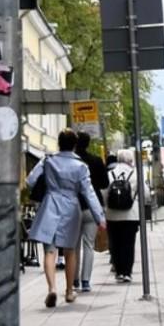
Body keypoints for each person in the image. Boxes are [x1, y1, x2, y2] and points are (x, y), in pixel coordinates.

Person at [25, 129, 106, 307]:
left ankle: (52, 288)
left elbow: (30, 180)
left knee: (50, 251)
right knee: (70, 251)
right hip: (71, 207)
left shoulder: (48, 160)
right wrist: (99, 217)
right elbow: (89, 192)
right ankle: (69, 291)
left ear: (59, 143)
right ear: (74, 145)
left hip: (50, 204)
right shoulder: (80, 166)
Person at [105, 148, 149, 283]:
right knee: (128, 244)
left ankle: (118, 271)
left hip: (112, 215)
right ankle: (127, 272)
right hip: (131, 214)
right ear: (130, 160)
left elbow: (104, 193)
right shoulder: (136, 174)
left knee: (115, 243)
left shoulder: (110, 174)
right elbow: (146, 194)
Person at [74, 131, 109, 292]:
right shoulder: (96, 161)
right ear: (88, 144)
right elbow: (104, 183)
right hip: (92, 206)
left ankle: (73, 278)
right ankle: (85, 281)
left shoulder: (71, 161)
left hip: (73, 206)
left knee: (73, 245)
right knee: (88, 244)